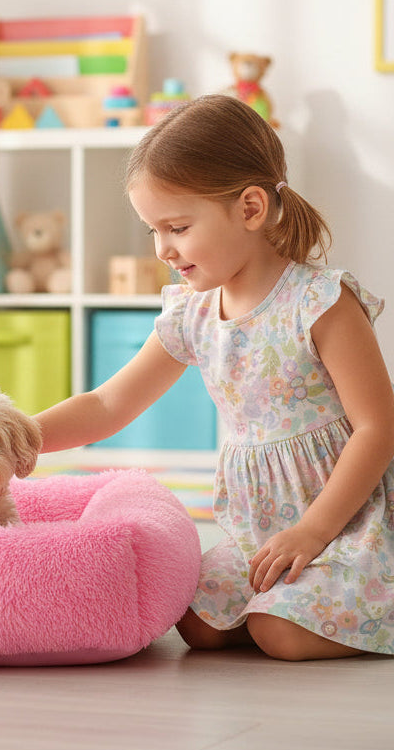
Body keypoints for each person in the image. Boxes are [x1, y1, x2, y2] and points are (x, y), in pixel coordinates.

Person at [34, 94, 394, 661]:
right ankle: (288, 600)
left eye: (176, 226)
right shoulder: (192, 313)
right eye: (153, 231)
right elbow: (108, 405)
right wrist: (21, 438)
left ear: (250, 208)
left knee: (281, 635)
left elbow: (377, 428)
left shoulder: (321, 302)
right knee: (196, 623)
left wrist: (315, 532)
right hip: (258, 531)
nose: (163, 249)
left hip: (346, 524)